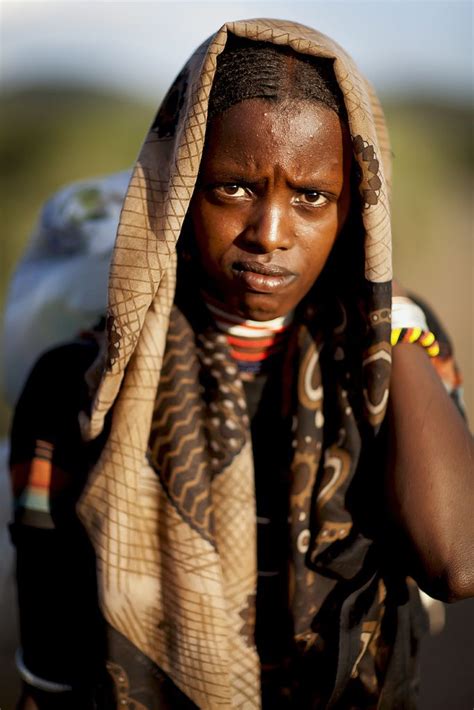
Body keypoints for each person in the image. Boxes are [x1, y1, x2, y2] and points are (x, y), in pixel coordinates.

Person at [8, 18, 473, 710]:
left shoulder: (399, 352)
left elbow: (455, 559)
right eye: (233, 188)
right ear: (178, 189)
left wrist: (387, 306)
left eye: (312, 197)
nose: (271, 234)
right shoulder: (80, 385)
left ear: (357, 209)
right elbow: (50, 661)